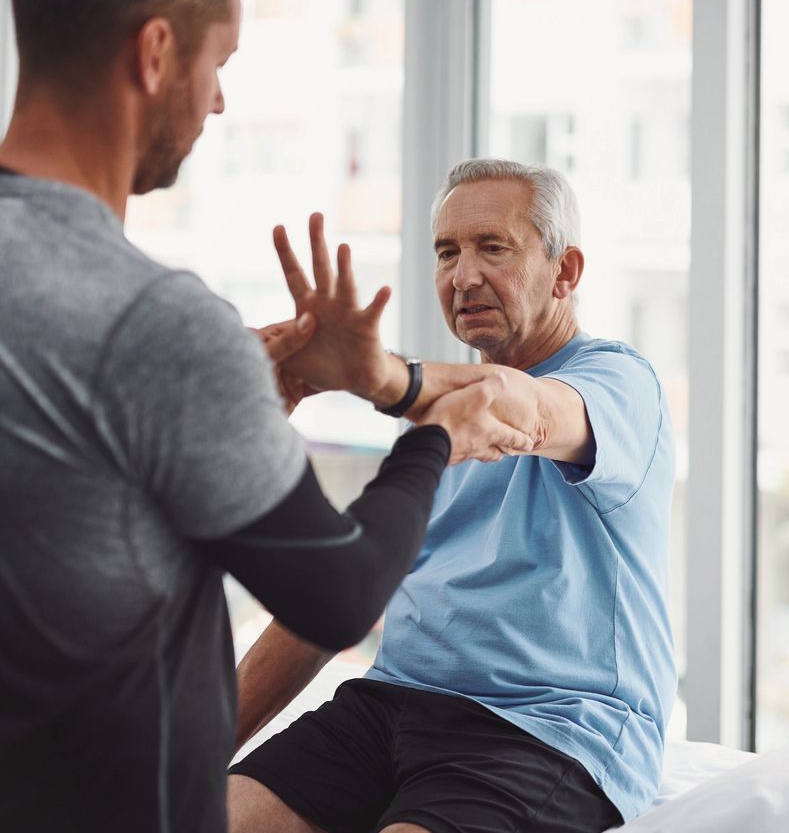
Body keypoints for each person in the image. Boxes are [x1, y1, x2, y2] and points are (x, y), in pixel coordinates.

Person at [0, 0, 532, 832]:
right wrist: (433, 438)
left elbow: (35, 511)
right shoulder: (158, 321)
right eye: (219, 63)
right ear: (156, 51)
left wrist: (236, 401)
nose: (218, 99)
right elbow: (336, 597)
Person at [228, 158, 679, 833]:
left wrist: (376, 377)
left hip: (546, 727)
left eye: (493, 247)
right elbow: (335, 599)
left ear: (565, 272)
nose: (463, 276)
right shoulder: (435, 419)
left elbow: (520, 410)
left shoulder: (619, 384)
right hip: (387, 708)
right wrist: (186, 755)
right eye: (447, 253)